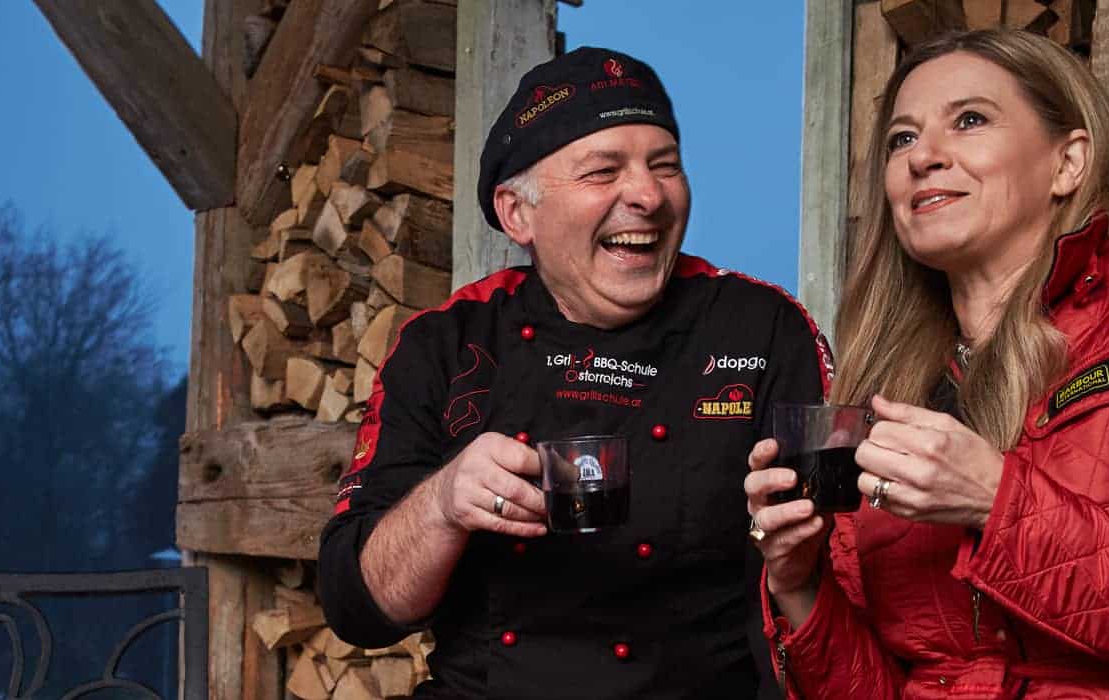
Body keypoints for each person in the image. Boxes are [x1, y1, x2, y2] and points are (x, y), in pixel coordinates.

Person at [743, 30, 1109, 699]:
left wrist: (998, 503)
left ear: (1068, 163)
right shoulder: (885, 385)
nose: (923, 157)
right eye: (902, 139)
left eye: (969, 120)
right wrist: (799, 585)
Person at [318, 46, 832, 699]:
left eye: (665, 166)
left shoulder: (762, 328)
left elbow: (835, 568)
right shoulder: (445, 342)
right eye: (602, 171)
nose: (648, 194)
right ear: (517, 213)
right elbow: (357, 610)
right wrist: (444, 504)